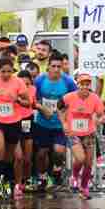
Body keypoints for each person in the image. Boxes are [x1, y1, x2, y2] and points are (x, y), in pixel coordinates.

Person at [0, 56, 31, 200]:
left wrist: (19, 100)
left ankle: (6, 182)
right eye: (3, 71)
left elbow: (28, 103)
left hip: (14, 121)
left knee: (9, 156)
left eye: (9, 71)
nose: (6, 74)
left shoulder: (19, 83)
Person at [33, 53, 76, 191]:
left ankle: (57, 169)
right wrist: (41, 108)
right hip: (43, 122)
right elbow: (33, 99)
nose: (57, 69)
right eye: (53, 66)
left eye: (59, 66)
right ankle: (43, 177)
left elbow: (75, 99)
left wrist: (65, 113)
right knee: (41, 153)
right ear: (48, 67)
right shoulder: (40, 81)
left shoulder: (68, 82)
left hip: (60, 123)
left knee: (58, 151)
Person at [60, 71, 105, 198]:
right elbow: (59, 108)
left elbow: (102, 115)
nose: (85, 87)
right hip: (73, 133)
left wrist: (99, 120)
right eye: (82, 84)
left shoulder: (95, 98)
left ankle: (84, 187)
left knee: (89, 163)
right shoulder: (69, 97)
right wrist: (64, 123)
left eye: (87, 84)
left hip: (89, 133)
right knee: (80, 158)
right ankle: (74, 176)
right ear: (78, 84)